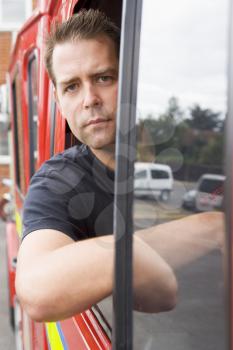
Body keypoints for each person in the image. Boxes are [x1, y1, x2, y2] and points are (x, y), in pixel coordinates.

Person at [15, 9, 224, 322]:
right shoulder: (59, 180)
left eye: (103, 78)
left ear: (130, 82)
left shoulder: (182, 152)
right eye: (72, 86)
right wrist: (133, 255)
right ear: (59, 102)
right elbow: (36, 290)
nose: (90, 99)